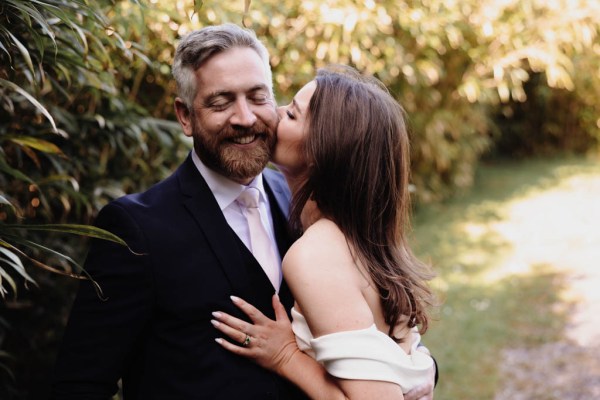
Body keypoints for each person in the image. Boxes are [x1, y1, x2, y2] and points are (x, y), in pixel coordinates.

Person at [51, 23, 436, 399]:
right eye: (221, 102)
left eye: (258, 97)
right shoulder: (134, 229)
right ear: (185, 116)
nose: (245, 118)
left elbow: (368, 321)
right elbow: (80, 383)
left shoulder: (310, 205)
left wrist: (423, 368)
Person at [210, 66, 437, 400]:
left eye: (292, 114)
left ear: (321, 149)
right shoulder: (364, 237)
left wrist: (286, 356)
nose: (275, 112)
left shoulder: (315, 255)